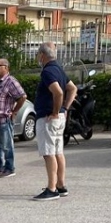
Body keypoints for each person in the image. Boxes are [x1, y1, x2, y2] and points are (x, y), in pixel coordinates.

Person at [33, 43, 77, 201]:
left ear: (42, 55)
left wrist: (55, 112)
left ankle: (51, 189)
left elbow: (58, 92)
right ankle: (60, 185)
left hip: (48, 118)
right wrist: (65, 108)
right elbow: (72, 88)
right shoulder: (59, 69)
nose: (38, 57)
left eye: (38, 54)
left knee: (49, 153)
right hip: (59, 118)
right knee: (58, 151)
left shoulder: (47, 71)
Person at [0, 58, 27, 178]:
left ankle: (9, 168)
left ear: (6, 67)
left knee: (7, 145)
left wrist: (15, 111)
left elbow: (22, 96)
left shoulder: (10, 81)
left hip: (3, 119)